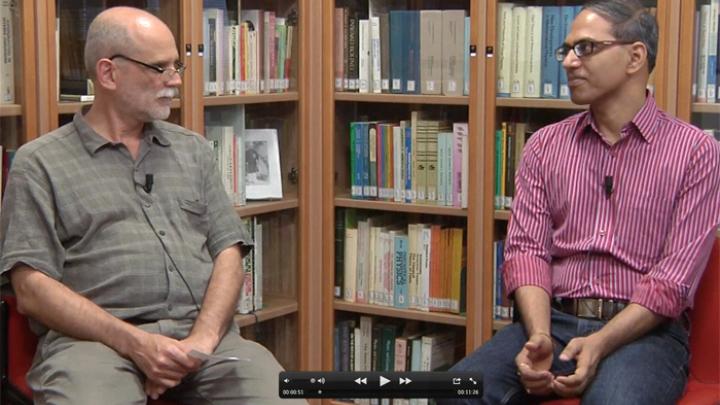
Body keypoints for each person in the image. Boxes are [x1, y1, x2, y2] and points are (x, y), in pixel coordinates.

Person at [0, 7, 306, 405]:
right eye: (159, 68)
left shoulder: (192, 150)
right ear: (109, 73)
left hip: (206, 341)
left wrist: (202, 340)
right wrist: (138, 344)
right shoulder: (39, 163)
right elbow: (31, 289)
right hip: (95, 345)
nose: (175, 80)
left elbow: (229, 251)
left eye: (175, 65)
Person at [441, 1, 720, 404]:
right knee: (457, 390)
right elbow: (527, 251)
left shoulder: (695, 152)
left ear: (635, 57)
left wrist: (601, 342)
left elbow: (673, 281)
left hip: (643, 333)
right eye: (566, 50)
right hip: (552, 320)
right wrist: (538, 336)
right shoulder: (544, 146)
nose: (570, 62)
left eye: (585, 48)